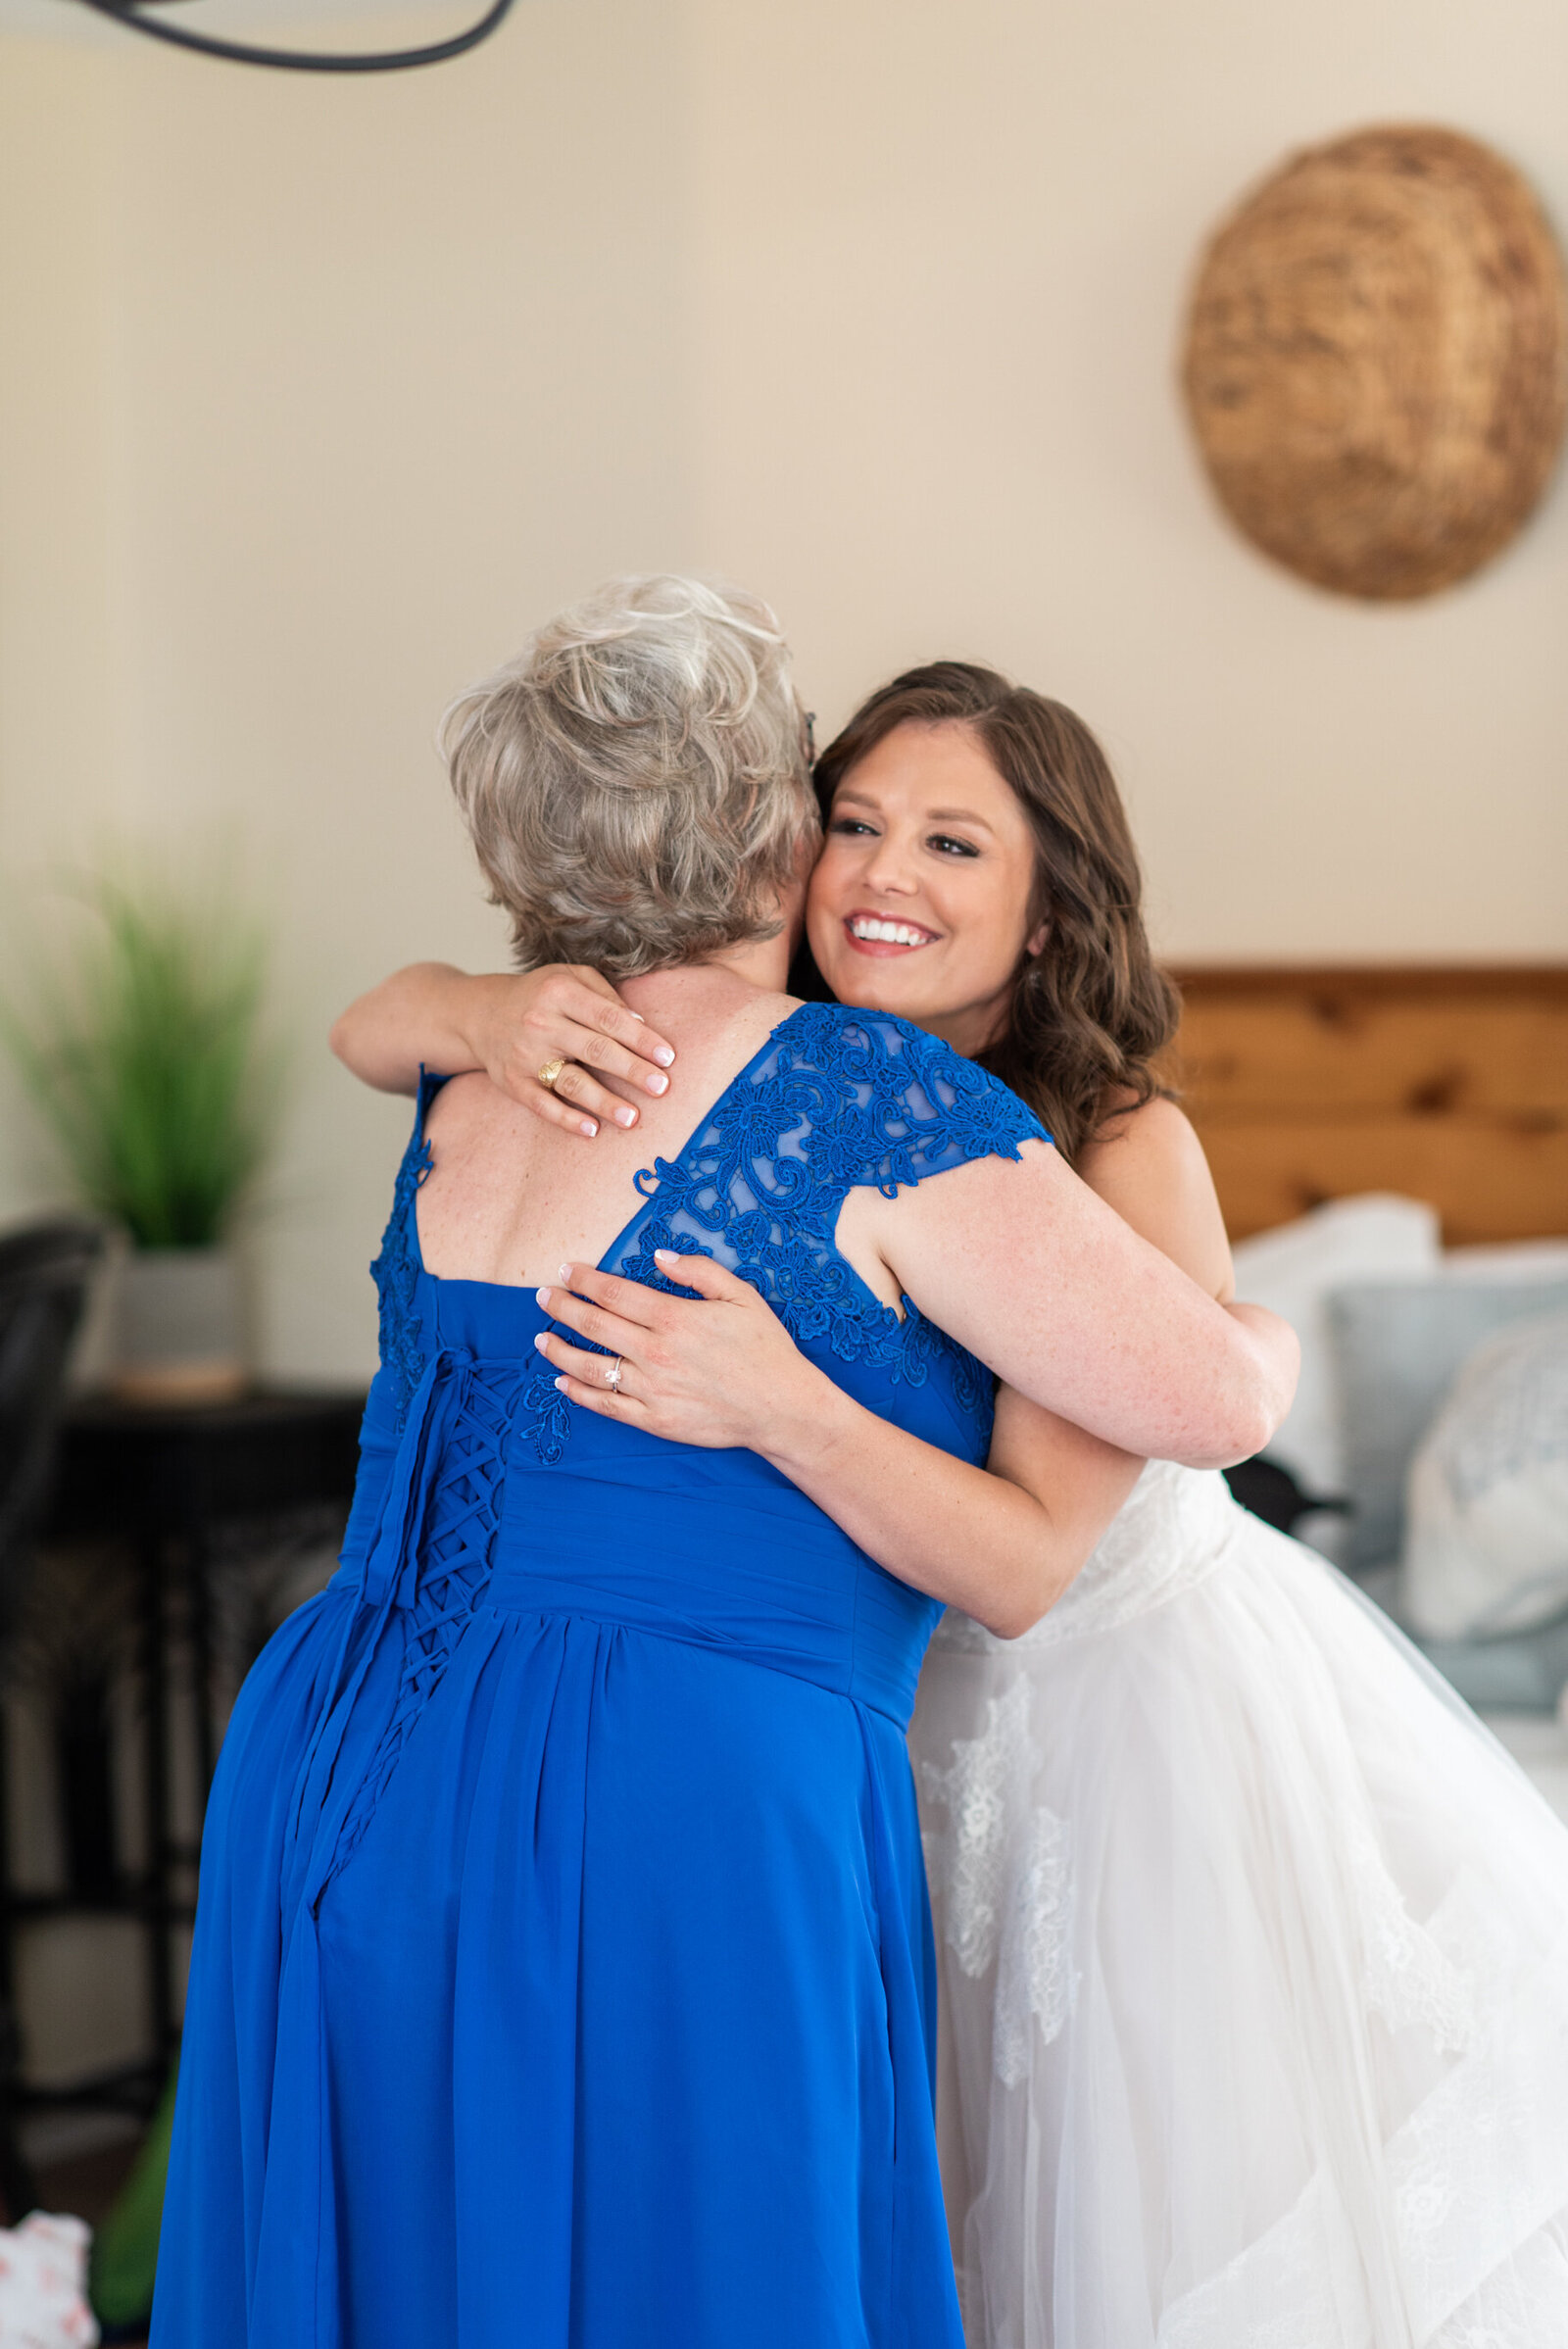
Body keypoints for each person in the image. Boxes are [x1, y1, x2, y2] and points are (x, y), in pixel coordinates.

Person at [338, 658, 1568, 2348]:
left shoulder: (1109, 1144)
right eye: (853, 821)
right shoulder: (768, 1079)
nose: (883, 877)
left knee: (1106, 2228)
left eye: (954, 844)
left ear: (1051, 912)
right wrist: (479, 1011)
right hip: (886, 1720)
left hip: (1114, 1734)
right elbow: (375, 1019)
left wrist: (781, 1403)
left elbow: (1028, 1562)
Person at [154, 585, 1298, 2349]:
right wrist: (1269, 1336)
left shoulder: (485, 1070)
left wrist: (473, 999)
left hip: (329, 1745)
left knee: (405, 2270)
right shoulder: (871, 1096)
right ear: (778, 834)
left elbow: (374, 1023)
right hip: (671, 1790)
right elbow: (1215, 1403)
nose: (875, 868)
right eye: (845, 813)